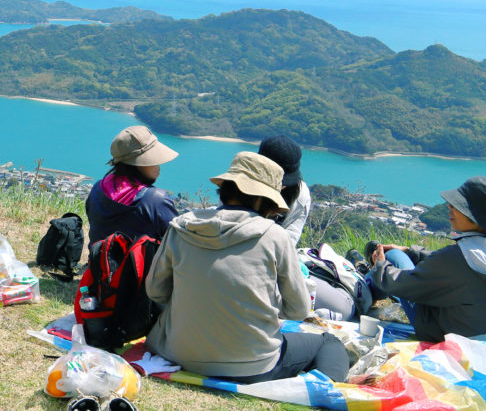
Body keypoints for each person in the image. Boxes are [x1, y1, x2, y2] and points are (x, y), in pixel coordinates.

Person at [144, 151, 349, 381]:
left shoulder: (182, 226)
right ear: (263, 198)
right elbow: (299, 310)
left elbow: (155, 291)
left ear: (227, 187)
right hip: (251, 364)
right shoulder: (275, 236)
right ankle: (325, 394)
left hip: (176, 353)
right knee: (328, 343)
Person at [367, 176, 486, 354]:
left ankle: (364, 289)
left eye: (459, 206)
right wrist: (413, 252)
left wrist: (380, 265)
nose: (450, 206)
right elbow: (449, 265)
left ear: (475, 216)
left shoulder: (457, 258)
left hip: (469, 349)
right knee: (404, 259)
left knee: (393, 257)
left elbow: (401, 284)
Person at [258, 135, 363, 320]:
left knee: (344, 308)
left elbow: (288, 243)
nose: (282, 185)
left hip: (278, 265)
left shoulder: (300, 195)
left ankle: (353, 274)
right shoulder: (239, 188)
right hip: (250, 264)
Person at [85, 125, 179, 249]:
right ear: (138, 163)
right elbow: (178, 242)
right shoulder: (155, 200)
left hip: (98, 265)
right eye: (154, 160)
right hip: (140, 268)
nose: (158, 165)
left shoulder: (98, 188)